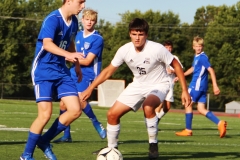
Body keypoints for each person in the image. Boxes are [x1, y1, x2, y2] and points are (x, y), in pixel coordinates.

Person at [80, 18, 191, 159]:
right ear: (129, 34)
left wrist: (184, 90)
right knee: (112, 114)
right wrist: (90, 88)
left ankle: (153, 145)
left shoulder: (156, 48)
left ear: (146, 35)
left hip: (159, 84)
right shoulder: (124, 50)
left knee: (148, 106)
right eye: (134, 34)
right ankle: (112, 150)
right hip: (137, 85)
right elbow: (108, 71)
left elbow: (176, 65)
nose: (137, 38)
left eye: (140, 34)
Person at [20, 0, 86, 160]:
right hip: (43, 70)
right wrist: (68, 56)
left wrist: (76, 63)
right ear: (68, 1)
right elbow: (48, 44)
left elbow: (69, 41)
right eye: (81, 2)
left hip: (61, 71)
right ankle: (26, 155)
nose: (83, 6)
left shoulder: (75, 21)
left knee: (75, 110)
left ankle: (44, 141)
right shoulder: (53, 19)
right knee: (45, 114)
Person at [52, 8, 106, 143]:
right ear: (82, 20)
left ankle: (96, 122)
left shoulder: (97, 39)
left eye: (92, 20)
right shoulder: (78, 35)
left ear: (95, 22)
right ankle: (66, 135)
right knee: (63, 104)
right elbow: (72, 52)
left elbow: (88, 61)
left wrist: (68, 58)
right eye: (87, 19)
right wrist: (68, 57)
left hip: (88, 74)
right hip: (73, 71)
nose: (89, 22)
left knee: (81, 100)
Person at [175, 36, 227, 138]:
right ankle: (220, 123)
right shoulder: (197, 57)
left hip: (196, 86)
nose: (198, 48)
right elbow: (194, 68)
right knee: (201, 109)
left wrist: (215, 86)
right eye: (196, 46)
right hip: (202, 87)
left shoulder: (203, 57)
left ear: (203, 46)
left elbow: (211, 70)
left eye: (200, 46)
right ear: (193, 47)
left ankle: (188, 130)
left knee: (187, 103)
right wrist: (182, 75)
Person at [155, 41, 183, 131]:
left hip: (170, 84)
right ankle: (153, 123)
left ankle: (156, 120)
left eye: (170, 47)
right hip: (161, 83)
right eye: (167, 47)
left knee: (167, 107)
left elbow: (180, 70)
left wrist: (174, 73)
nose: (169, 49)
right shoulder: (159, 57)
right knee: (159, 102)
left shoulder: (174, 58)